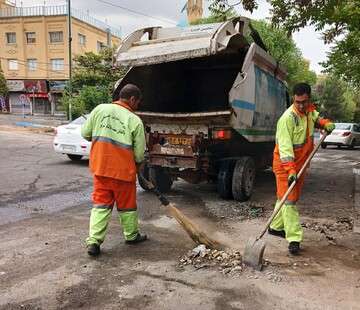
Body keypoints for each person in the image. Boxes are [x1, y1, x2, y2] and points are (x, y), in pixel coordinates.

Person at [81, 83, 147, 257]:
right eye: (138, 102)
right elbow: (140, 154)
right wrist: (139, 166)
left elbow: (85, 133)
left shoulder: (99, 110)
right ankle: (131, 235)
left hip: (101, 170)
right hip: (124, 173)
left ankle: (94, 241)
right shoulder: (134, 120)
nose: (137, 106)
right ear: (132, 99)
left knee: (100, 206)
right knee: (127, 207)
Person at [269, 82, 335, 255]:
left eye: (303, 102)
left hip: (301, 164)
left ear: (308, 99)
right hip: (285, 165)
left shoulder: (309, 111)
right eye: (297, 102)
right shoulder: (287, 118)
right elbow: (285, 149)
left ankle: (275, 227)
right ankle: (294, 239)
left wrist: (325, 123)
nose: (300, 105)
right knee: (290, 201)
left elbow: (316, 119)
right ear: (293, 99)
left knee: (283, 197)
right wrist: (290, 170)